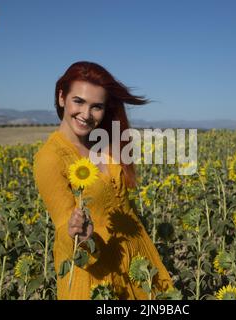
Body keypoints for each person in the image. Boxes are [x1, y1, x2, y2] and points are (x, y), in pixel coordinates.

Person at [33, 61, 174, 299]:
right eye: (78, 101)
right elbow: (63, 228)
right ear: (61, 98)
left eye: (96, 106)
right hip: (97, 278)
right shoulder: (50, 158)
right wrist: (77, 235)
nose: (86, 114)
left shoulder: (105, 141)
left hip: (138, 266)